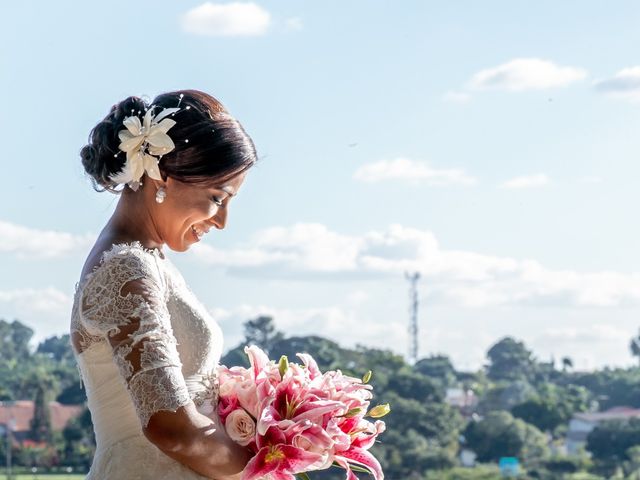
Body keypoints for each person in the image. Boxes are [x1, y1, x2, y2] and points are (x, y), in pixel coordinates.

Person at [70, 89, 257, 479]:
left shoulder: (148, 261)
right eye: (217, 197)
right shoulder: (126, 268)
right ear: (162, 176)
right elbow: (170, 430)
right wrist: (267, 458)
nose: (222, 221)